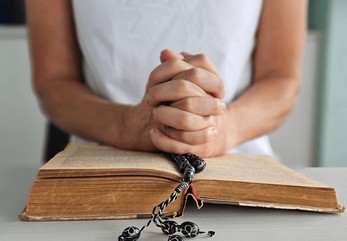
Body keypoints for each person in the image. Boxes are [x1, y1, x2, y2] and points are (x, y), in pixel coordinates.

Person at [26, 0, 307, 158]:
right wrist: (126, 125)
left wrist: (224, 128)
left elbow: (280, 80)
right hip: (102, 163)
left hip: (237, 164)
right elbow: (54, 80)